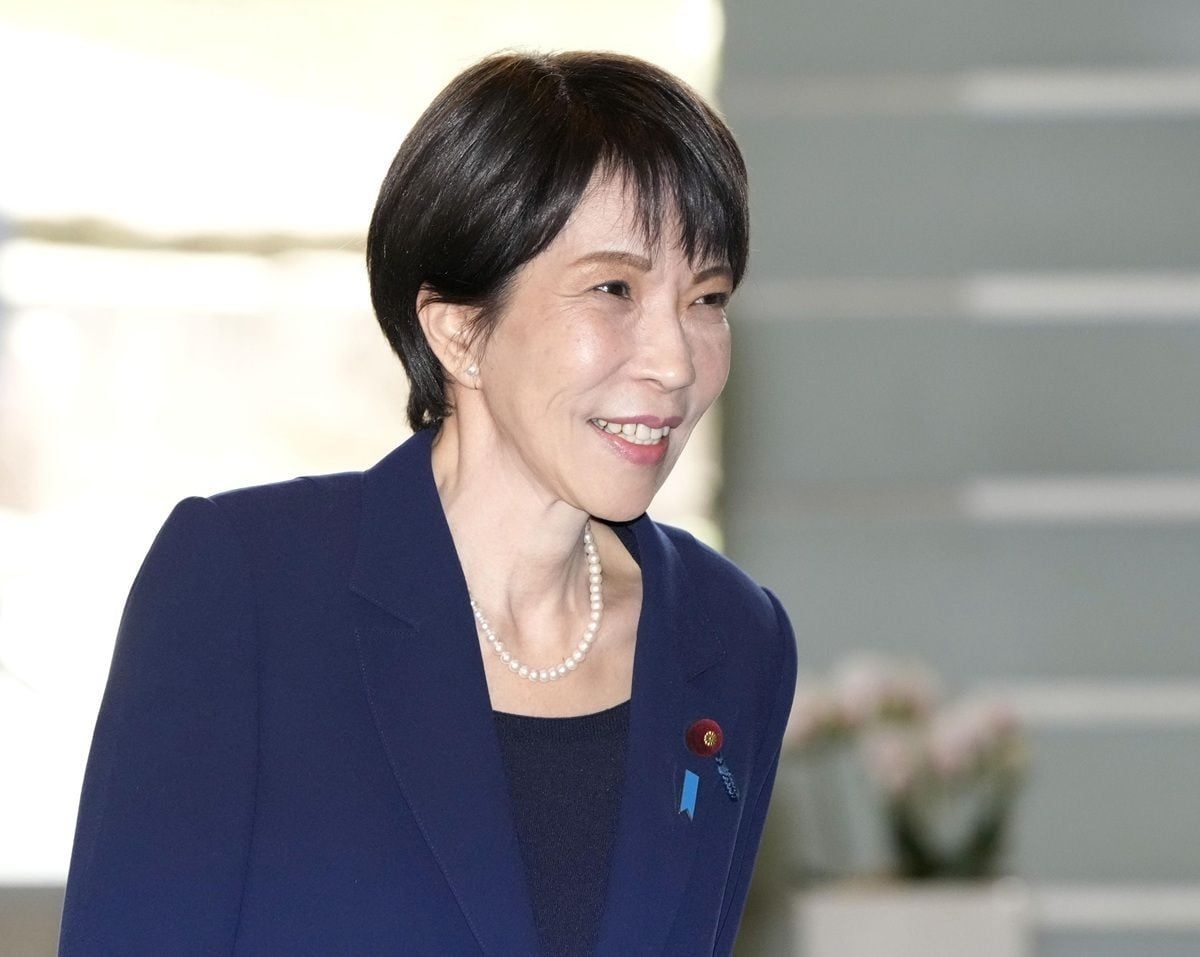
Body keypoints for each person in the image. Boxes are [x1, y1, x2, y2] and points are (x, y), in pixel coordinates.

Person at [59, 50, 797, 956]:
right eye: (615, 288)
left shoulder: (731, 636)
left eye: (707, 297)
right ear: (458, 329)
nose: (676, 361)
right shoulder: (246, 589)